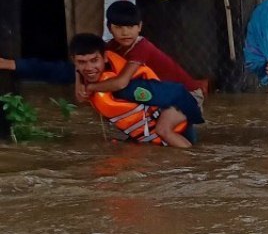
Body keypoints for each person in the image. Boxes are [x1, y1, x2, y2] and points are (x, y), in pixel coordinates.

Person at [2, 1, 206, 108]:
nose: (125, 33)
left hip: (186, 96)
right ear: (110, 27)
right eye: (119, 28)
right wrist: (78, 82)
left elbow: (121, 83)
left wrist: (88, 87)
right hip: (154, 93)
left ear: (140, 27)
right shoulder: (108, 49)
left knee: (119, 89)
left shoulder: (141, 47)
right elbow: (73, 68)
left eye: (130, 27)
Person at [69, 33, 202, 148]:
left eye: (94, 61)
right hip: (154, 111)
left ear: (104, 57)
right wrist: (79, 78)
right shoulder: (102, 56)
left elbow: (121, 84)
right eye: (81, 62)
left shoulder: (133, 64)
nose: (89, 67)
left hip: (179, 101)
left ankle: (193, 159)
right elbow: (81, 97)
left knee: (163, 130)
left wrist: (90, 87)